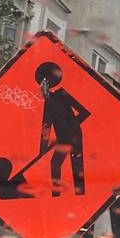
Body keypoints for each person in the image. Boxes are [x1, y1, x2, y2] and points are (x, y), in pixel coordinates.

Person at [35, 62, 90, 197]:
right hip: (63, 138)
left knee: (76, 165)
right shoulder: (48, 103)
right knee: (54, 164)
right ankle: (56, 196)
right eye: (42, 85)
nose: (43, 88)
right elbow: (46, 126)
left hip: (74, 135)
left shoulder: (62, 94)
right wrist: (42, 150)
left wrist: (71, 126)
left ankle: (80, 195)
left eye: (46, 84)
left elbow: (84, 112)